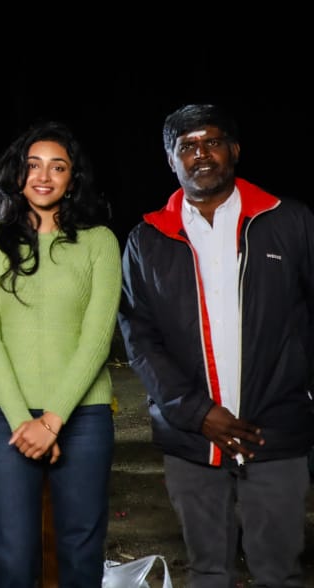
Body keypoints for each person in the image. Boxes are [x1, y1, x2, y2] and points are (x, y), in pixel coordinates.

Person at [118, 103, 314, 587]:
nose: (201, 154)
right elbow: (139, 337)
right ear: (171, 160)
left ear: (235, 150)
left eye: (213, 142)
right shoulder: (147, 238)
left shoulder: (288, 221)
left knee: (280, 574)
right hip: (192, 438)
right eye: (187, 146)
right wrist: (196, 412)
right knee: (208, 572)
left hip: (275, 432)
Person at [0, 121, 121, 586]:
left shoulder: (100, 241)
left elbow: (98, 339)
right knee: (13, 555)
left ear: (73, 179)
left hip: (84, 416)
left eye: (58, 167)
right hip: (7, 417)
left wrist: (52, 421)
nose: (44, 176)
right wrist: (23, 422)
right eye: (33, 165)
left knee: (81, 549)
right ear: (18, 174)